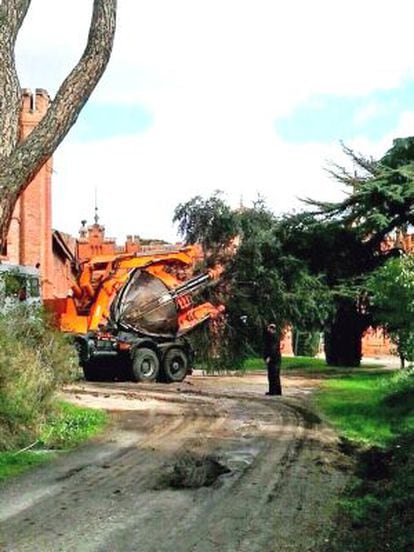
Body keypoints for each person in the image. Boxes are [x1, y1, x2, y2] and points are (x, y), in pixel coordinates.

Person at [263, 323, 282, 396]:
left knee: (272, 375)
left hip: (273, 359)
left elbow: (272, 348)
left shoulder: (273, 337)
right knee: (276, 375)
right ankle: (277, 391)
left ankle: (273, 391)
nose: (268, 330)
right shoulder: (276, 336)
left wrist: (269, 357)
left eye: (269, 328)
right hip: (277, 358)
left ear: (271, 329)